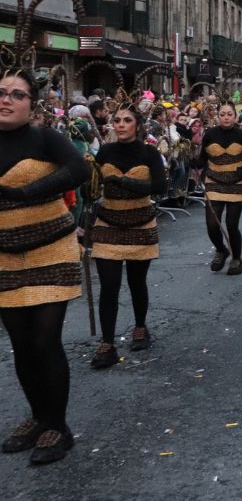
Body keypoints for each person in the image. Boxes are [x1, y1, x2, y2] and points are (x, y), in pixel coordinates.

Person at [0, 67, 90, 464]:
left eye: (17, 94)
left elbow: (79, 169)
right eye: (2, 92)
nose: (6, 99)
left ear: (32, 104)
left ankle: (58, 426)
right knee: (21, 343)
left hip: (51, 250)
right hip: (4, 256)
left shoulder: (45, 138)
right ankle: (38, 417)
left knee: (44, 340)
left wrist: (25, 192)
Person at [89, 104, 166, 368]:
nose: (121, 124)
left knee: (136, 281)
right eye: (117, 120)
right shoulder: (105, 151)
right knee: (109, 286)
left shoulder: (150, 153)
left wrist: (125, 182)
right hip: (108, 223)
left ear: (138, 125)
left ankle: (140, 327)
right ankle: (107, 343)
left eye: (127, 120)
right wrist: (87, 177)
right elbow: (92, 184)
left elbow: (160, 186)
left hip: (140, 224)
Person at [197, 102, 242, 275]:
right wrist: (191, 159)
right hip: (214, 181)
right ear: (218, 116)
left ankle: (236, 258)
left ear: (235, 117)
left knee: (231, 224)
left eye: (229, 114)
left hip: (237, 183)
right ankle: (221, 250)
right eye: (222, 114)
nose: (226, 117)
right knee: (212, 224)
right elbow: (202, 159)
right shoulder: (209, 134)